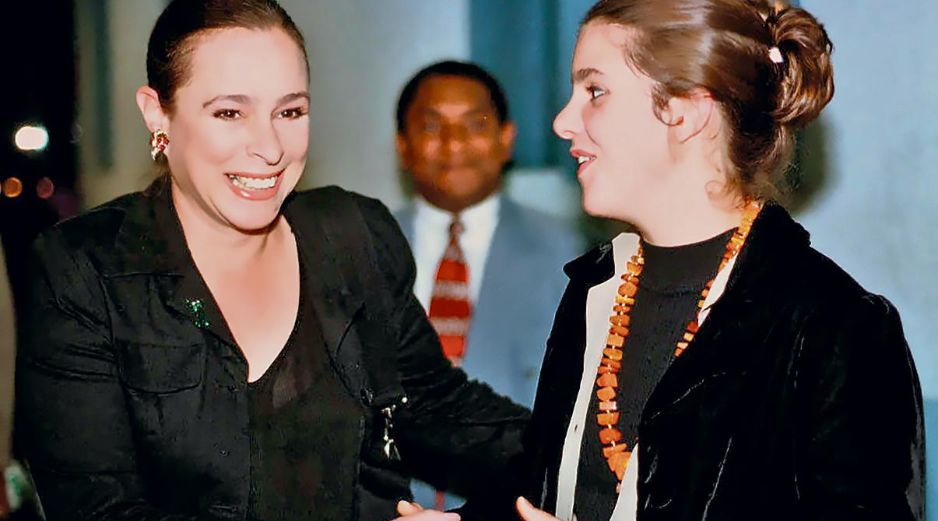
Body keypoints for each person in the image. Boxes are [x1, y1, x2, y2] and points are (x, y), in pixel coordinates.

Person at [397, 1, 925, 520]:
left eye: (595, 91)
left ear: (685, 110)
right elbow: (550, 486)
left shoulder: (838, 328)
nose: (562, 121)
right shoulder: (596, 287)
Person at [14, 1, 527, 520]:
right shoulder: (85, 271)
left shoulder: (352, 237)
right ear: (157, 113)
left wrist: (598, 457)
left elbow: (441, 410)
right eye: (229, 113)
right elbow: (100, 510)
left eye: (290, 112)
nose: (270, 147)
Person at [393, 60, 585, 510]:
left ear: (506, 138)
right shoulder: (358, 250)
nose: (454, 143)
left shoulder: (573, 255)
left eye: (475, 124)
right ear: (402, 146)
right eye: (431, 125)